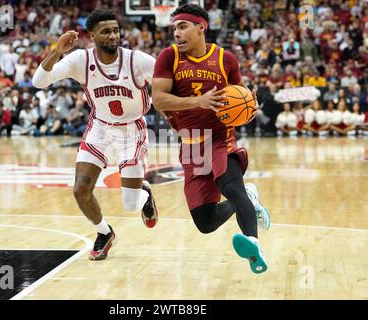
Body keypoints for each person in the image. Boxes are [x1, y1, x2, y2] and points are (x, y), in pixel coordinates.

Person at [152, 4, 270, 274]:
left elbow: (241, 93)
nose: (177, 34)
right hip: (192, 145)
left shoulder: (225, 59)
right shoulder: (168, 57)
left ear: (200, 27)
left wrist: (248, 108)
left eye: (182, 27)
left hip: (220, 138)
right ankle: (250, 198)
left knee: (231, 185)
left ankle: (253, 244)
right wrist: (200, 101)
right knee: (205, 223)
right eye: (174, 29)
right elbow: (158, 100)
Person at [33, 9, 158, 261]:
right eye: (106, 31)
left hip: (132, 130)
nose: (113, 35)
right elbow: (39, 81)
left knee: (130, 204)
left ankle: (144, 193)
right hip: (99, 127)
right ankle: (104, 233)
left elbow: (170, 82)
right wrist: (57, 51)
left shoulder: (138, 60)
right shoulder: (80, 59)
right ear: (92, 35)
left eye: (115, 30)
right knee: (80, 189)